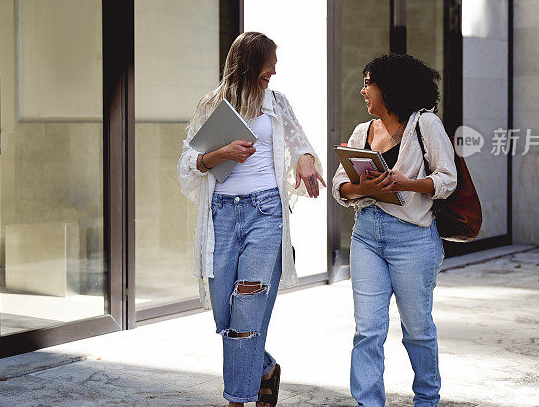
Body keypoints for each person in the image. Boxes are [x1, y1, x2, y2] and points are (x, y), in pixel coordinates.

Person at [177, 31, 325, 407]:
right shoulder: (211, 105)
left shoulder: (276, 103)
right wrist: (218, 153)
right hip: (222, 215)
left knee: (247, 305)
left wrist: (306, 159)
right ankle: (265, 368)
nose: (274, 71)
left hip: (266, 213)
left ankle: (237, 400)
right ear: (248, 63)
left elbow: (300, 143)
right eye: (268, 63)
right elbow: (186, 166)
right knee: (225, 316)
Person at [332, 53, 457, 407]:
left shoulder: (425, 124)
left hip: (413, 239)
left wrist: (408, 184)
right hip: (367, 236)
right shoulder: (362, 132)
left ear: (389, 88)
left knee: (417, 331)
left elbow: (448, 179)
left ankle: (426, 401)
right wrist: (364, 190)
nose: (362, 90)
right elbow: (341, 187)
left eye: (368, 83)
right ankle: (368, 403)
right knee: (368, 331)